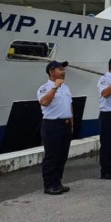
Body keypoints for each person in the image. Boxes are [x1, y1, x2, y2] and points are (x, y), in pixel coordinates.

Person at [37, 60, 73, 195]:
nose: (63, 72)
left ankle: (57, 182)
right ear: (51, 72)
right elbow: (45, 102)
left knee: (62, 156)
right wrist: (55, 87)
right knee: (51, 156)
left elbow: (69, 106)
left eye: (63, 70)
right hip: (52, 125)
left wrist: (71, 124)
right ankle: (49, 185)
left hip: (65, 125)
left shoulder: (66, 88)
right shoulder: (44, 88)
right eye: (60, 70)